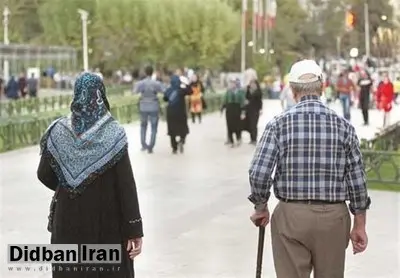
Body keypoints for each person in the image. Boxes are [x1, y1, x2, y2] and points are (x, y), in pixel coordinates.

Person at [248, 60, 370, 278]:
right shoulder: (344, 126)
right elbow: (357, 181)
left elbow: (259, 172)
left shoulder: (278, 125)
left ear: (293, 90)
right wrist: (359, 224)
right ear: (322, 87)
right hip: (333, 218)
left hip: (291, 216)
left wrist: (261, 206)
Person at [37, 72, 143, 278]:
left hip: (67, 220)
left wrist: (69, 184)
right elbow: (125, 187)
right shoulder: (114, 134)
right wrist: (134, 230)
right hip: (107, 223)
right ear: (101, 95)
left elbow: (44, 174)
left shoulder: (58, 131)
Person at [134, 65, 164, 153]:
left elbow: (135, 91)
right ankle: (151, 146)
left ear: (145, 72)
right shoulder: (156, 83)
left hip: (143, 106)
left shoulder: (141, 83)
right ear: (152, 72)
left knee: (143, 126)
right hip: (154, 105)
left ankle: (143, 144)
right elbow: (163, 90)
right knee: (154, 127)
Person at [164, 75, 192, 154]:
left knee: (172, 131)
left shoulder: (169, 90)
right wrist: (186, 83)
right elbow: (190, 91)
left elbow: (165, 98)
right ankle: (181, 141)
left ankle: (174, 148)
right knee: (183, 129)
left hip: (171, 113)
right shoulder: (181, 90)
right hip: (180, 112)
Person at [221, 78, 246, 147]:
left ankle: (238, 138)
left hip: (237, 110)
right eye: (230, 83)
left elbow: (242, 102)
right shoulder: (228, 91)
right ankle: (231, 141)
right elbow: (224, 100)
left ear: (236, 84)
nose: (232, 85)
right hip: (229, 110)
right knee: (229, 125)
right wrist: (222, 108)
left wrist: (243, 112)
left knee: (237, 125)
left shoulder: (240, 92)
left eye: (233, 83)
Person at [245, 79, 263, 144]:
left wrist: (261, 109)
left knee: (254, 125)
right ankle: (251, 139)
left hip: (256, 110)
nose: (252, 85)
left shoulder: (258, 91)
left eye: (253, 84)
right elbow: (246, 98)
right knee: (250, 125)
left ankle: (254, 139)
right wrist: (248, 89)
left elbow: (260, 101)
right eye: (251, 83)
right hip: (249, 110)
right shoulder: (249, 90)